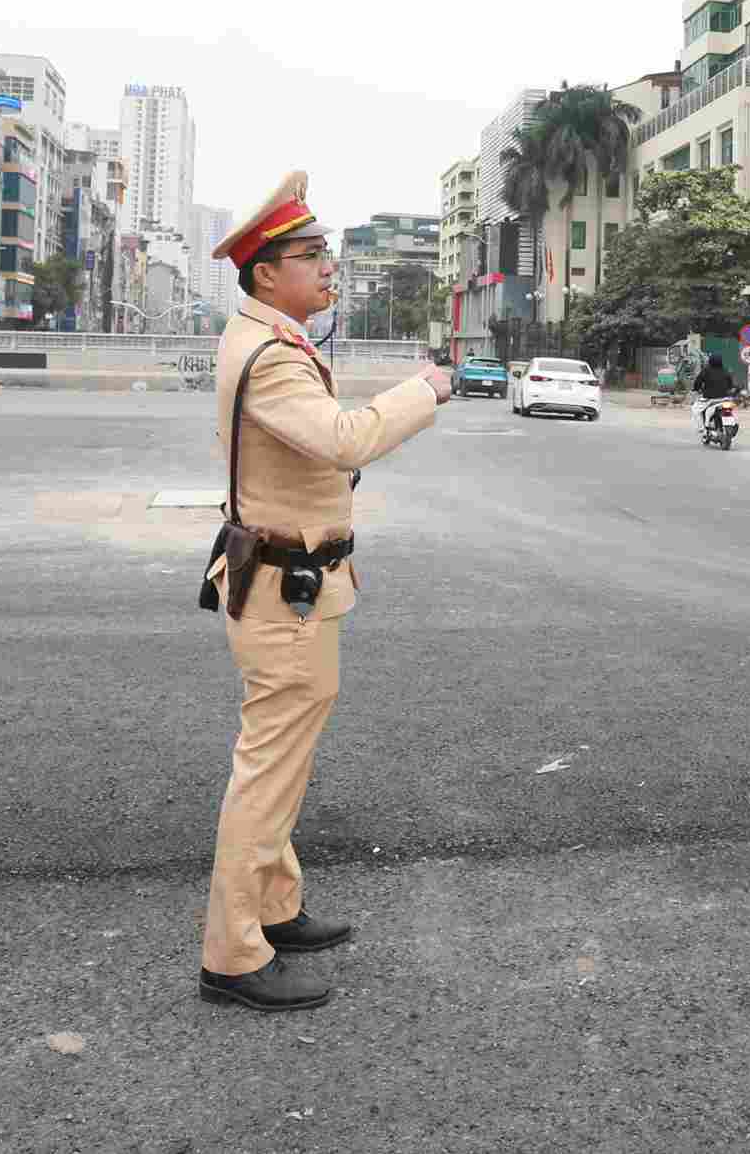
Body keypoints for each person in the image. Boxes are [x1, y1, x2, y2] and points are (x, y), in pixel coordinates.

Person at [196, 171, 451, 1015]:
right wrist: (425, 391)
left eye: (326, 254)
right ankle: (232, 956)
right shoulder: (270, 356)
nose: (328, 270)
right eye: (311, 257)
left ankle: (275, 907)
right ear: (267, 272)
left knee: (285, 761)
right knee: (267, 772)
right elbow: (344, 441)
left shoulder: (269, 337)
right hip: (280, 591)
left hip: (290, 583)